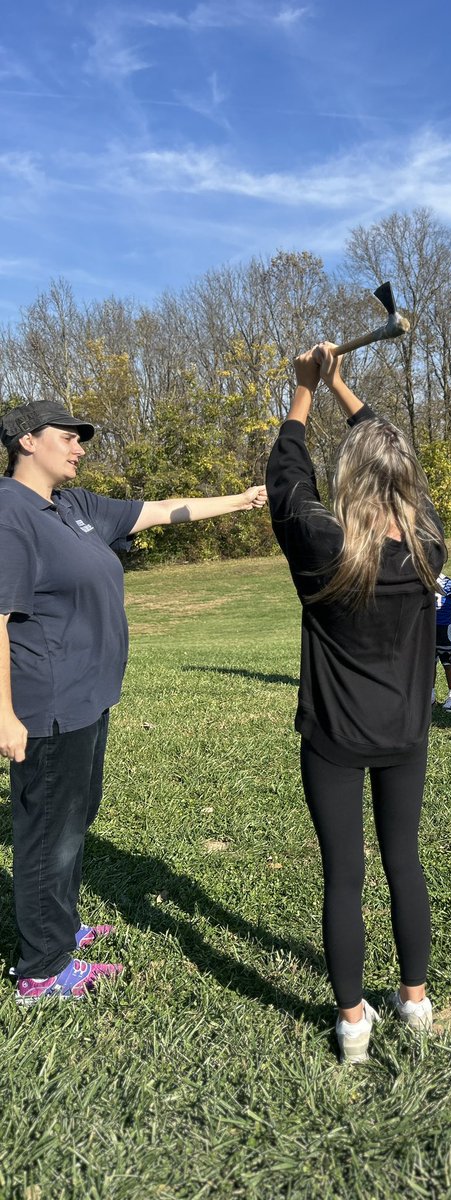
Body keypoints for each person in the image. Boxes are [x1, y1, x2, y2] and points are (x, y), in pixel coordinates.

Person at [0, 400, 268, 1006]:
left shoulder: (74, 507)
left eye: (81, 439)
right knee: (48, 834)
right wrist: (4, 713)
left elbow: (162, 513)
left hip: (89, 700)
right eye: (68, 437)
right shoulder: (10, 512)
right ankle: (41, 972)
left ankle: (61, 928)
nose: (80, 447)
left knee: (73, 821)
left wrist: (242, 499)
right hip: (48, 705)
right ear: (26, 441)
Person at [266, 344, 446, 1064]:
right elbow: (389, 457)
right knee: (404, 861)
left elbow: (287, 478)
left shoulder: (326, 543)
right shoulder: (430, 544)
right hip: (405, 735)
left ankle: (352, 1024)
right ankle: (415, 1001)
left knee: (345, 873)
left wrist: (306, 391)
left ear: (353, 476)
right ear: (406, 476)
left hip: (335, 739)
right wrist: (349, 395)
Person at [433, 571, 451, 711]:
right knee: (429, 662)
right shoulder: (421, 578)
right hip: (426, 627)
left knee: (447, 661)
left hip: (444, 626)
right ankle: (430, 694)